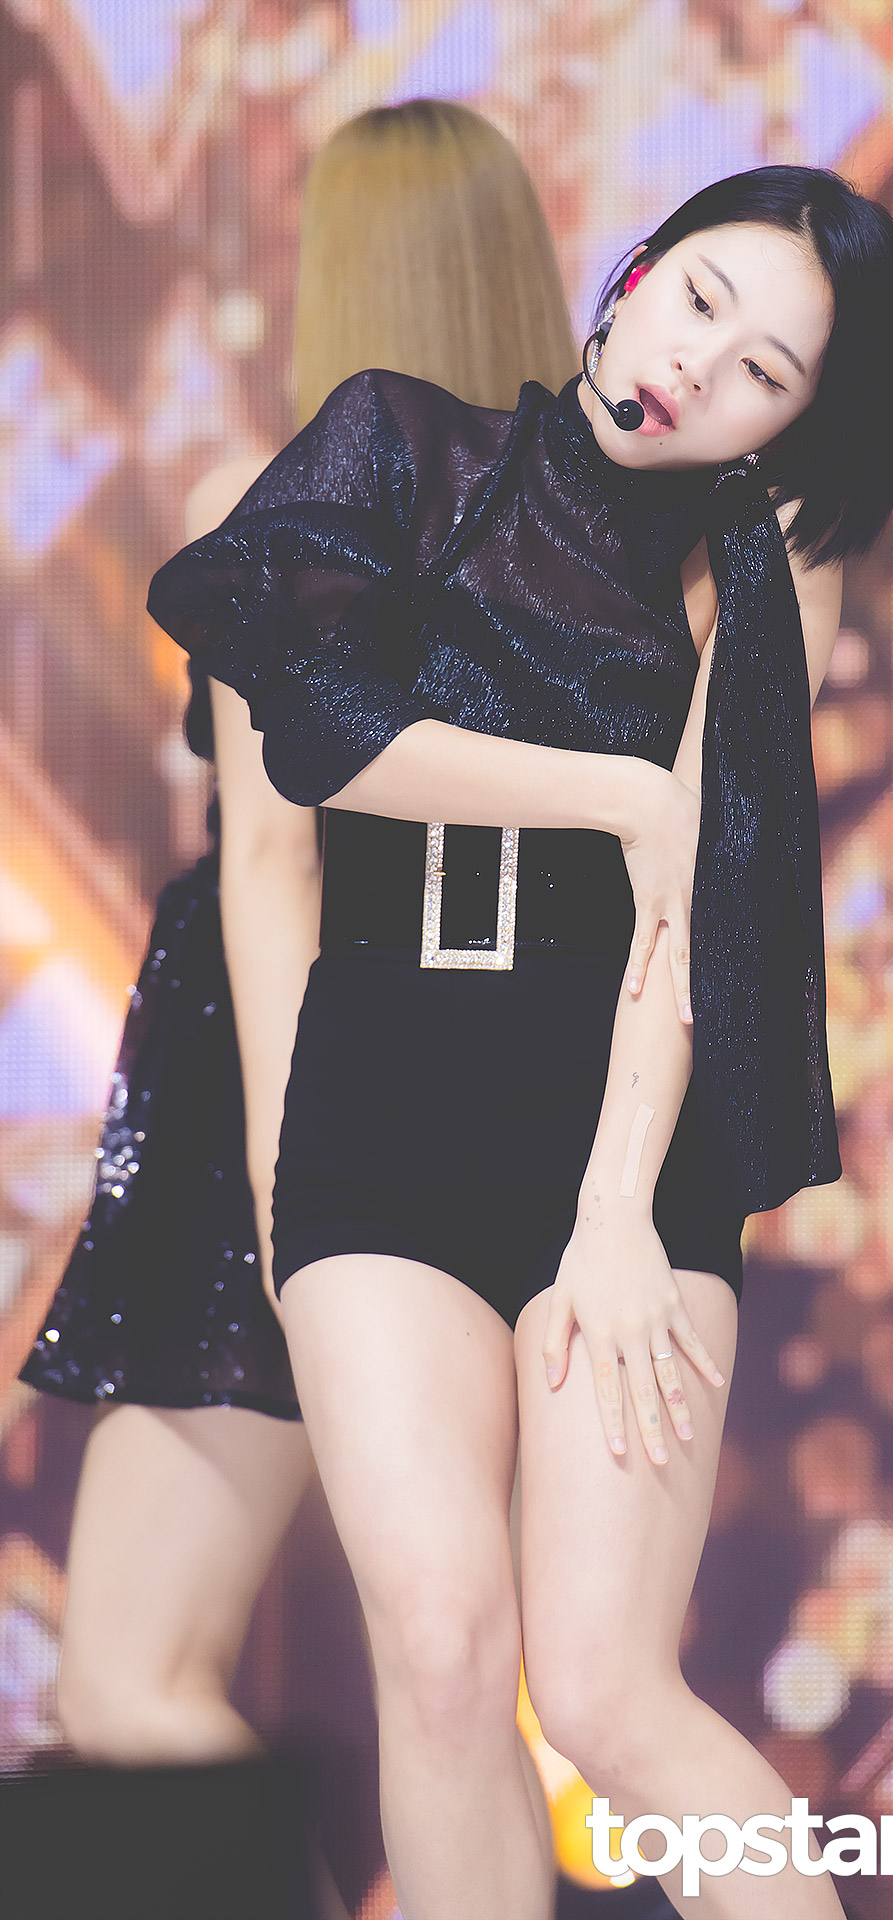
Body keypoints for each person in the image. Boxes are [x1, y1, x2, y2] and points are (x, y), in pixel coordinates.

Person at [148, 165, 893, 1919]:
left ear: (793, 430)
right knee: (435, 1644)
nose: (700, 365)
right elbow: (319, 734)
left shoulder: (753, 575)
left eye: (765, 372)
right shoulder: (398, 446)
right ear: (637, 271)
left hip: (625, 1143)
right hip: (376, 1109)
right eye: (701, 299)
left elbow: (708, 916)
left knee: (602, 1693)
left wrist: (617, 1216)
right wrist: (619, 793)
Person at [19, 97, 576, 1893]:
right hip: (507, 1081)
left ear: (341, 269)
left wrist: (280, 1184)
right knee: (454, 1670)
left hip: (272, 1094)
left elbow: (273, 864)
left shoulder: (274, 507)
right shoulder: (596, 536)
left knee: (142, 1676)